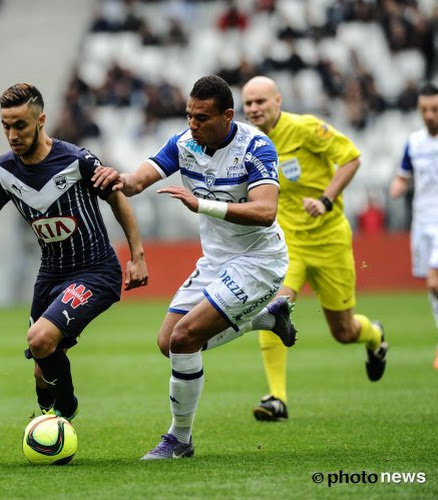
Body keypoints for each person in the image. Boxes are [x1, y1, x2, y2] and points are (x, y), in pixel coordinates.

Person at [91, 75, 297, 459]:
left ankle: (179, 439)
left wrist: (202, 204)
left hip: (259, 261)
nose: (192, 124)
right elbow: (138, 181)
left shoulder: (257, 147)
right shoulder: (185, 143)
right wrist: (115, 178)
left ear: (227, 116)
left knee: (185, 338)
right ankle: (267, 318)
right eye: (188, 115)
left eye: (202, 117)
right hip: (217, 262)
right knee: (168, 343)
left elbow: (266, 212)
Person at [0, 83, 148, 421]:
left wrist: (137, 256)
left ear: (41, 120)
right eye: (6, 126)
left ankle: (66, 413)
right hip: (50, 275)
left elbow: (117, 198)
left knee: (41, 339)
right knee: (40, 369)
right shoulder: (4, 170)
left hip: (95, 270)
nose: (12, 134)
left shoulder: (76, 160)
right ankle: (47, 419)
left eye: (20, 125)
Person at [241, 75, 387, 422]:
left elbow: (351, 158)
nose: (254, 109)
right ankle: (277, 397)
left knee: (344, 331)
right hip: (286, 243)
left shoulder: (306, 128)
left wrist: (326, 199)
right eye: (248, 103)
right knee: (274, 308)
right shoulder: (247, 141)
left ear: (278, 101)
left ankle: (375, 337)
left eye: (261, 101)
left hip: (329, 239)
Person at [389, 82, 438, 369]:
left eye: (434, 109)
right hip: (422, 220)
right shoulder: (415, 142)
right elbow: (403, 175)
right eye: (424, 110)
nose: (429, 115)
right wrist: (397, 186)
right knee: (431, 287)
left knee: (434, 281)